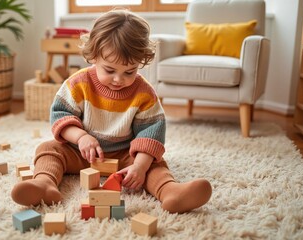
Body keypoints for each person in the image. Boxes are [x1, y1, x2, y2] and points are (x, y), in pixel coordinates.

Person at [11, 9, 212, 214]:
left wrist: (140, 167)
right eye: (109, 70)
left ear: (140, 62)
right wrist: (80, 137)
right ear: (94, 56)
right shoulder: (78, 83)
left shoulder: (144, 93)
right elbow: (61, 115)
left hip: (125, 155)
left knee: (154, 163)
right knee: (48, 148)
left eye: (129, 71)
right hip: (80, 153)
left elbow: (152, 132)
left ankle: (170, 191)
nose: (119, 79)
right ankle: (44, 184)